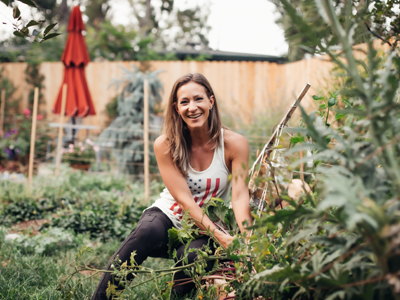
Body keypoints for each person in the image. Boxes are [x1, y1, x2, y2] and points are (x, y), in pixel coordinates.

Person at [92, 73, 252, 299]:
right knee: (144, 232)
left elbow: (239, 196)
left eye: (198, 99)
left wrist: (246, 239)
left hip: (208, 225)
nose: (192, 107)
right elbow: (185, 200)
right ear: (176, 108)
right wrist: (223, 238)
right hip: (170, 217)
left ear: (211, 101)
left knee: (192, 256)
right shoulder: (166, 144)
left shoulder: (235, 144)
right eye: (184, 102)